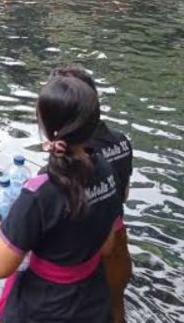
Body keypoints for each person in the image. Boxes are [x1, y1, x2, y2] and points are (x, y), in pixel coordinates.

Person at [0, 76, 122, 323]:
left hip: (42, 308)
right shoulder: (107, 171)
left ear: (46, 126)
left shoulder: (40, 192)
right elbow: (107, 246)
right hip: (92, 304)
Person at [50, 65, 133, 323]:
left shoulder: (76, 156)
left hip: (86, 255)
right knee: (117, 311)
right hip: (118, 244)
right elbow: (125, 194)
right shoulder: (121, 142)